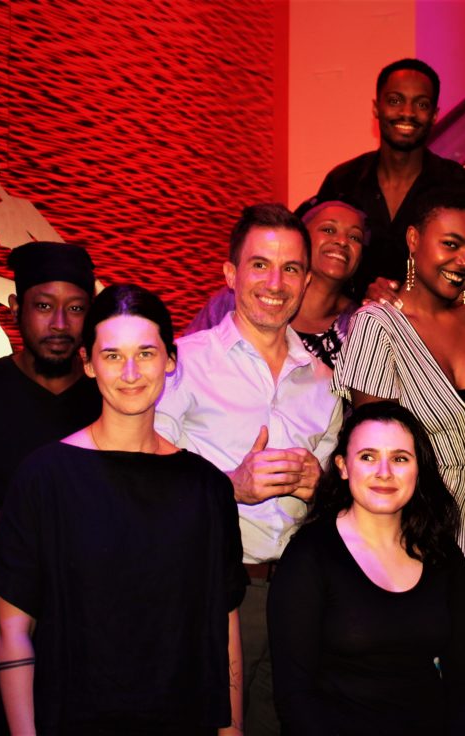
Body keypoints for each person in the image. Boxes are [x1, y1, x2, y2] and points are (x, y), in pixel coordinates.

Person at [0, 284, 247, 734]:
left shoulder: (206, 488)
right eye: (112, 356)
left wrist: (233, 729)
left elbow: (223, 623)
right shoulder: (45, 478)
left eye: (145, 353)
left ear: (170, 360)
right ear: (88, 363)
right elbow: (10, 629)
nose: (130, 372)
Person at [155, 204, 343, 736]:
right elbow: (142, 484)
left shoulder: (325, 381)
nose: (275, 283)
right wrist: (229, 487)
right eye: (260, 265)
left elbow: (339, 504)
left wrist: (322, 488)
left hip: (302, 596)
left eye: (290, 269)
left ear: (307, 281)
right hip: (211, 592)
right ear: (230, 274)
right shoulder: (182, 363)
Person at [333, 187, 465, 658]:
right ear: (414, 240)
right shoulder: (377, 326)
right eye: (450, 244)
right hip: (412, 532)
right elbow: (375, 461)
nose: (464, 261)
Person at [0, 241, 101, 734]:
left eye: (75, 308)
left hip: (92, 631)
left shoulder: (112, 399)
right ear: (15, 309)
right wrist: (17, 521)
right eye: (43, 306)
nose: (59, 324)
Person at [269, 401, 465, 735]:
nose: (384, 472)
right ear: (343, 466)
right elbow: (294, 696)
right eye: (368, 457)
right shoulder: (309, 556)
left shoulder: (442, 554)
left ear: (418, 469)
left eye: (400, 458)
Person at [317, 58, 465, 303]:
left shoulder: (460, 187)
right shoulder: (342, 182)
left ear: (434, 114)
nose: (407, 113)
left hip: (431, 323)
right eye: (395, 101)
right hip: (349, 320)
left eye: (421, 104)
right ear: (376, 108)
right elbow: (317, 258)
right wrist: (361, 293)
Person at [187, 198, 369, 368]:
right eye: (328, 230)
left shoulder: (360, 325)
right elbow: (188, 362)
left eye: (355, 237)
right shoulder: (236, 297)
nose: (342, 241)